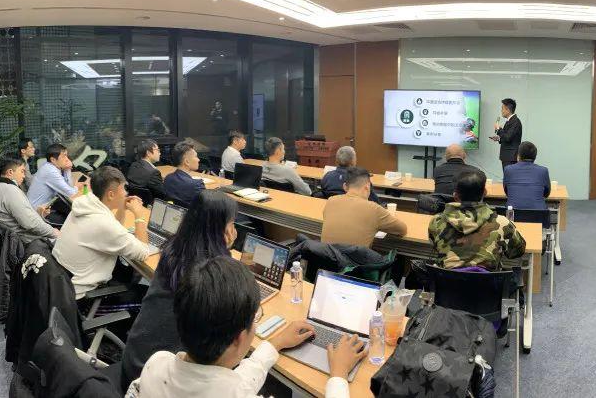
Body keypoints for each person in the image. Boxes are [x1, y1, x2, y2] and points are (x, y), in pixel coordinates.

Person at [125, 256, 365, 398]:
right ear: (240, 338)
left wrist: (274, 344)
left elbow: (227, 386)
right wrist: (338, 376)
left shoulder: (157, 364)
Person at [121, 190, 239, 390]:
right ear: (225, 229)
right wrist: (225, 252)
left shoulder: (172, 250)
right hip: (159, 382)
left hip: (133, 362)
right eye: (232, 223)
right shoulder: (210, 274)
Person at [53, 166, 157, 299]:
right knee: (146, 294)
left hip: (65, 284)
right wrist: (139, 215)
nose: (126, 193)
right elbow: (143, 252)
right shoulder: (103, 224)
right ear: (111, 195)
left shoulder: (84, 204)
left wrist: (121, 208)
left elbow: (114, 228)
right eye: (123, 189)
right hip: (84, 296)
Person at [429, 170, 526, 271]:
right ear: (485, 193)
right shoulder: (502, 223)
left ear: (455, 196)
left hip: (446, 280)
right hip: (488, 280)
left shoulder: (437, 221)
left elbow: (435, 246)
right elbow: (516, 252)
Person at [321, 167, 407, 248]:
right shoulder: (373, 208)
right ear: (367, 187)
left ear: (344, 187)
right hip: (355, 258)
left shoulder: (331, 201)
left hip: (326, 256)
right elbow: (402, 230)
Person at [0, 157, 58, 253]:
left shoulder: (0, 186)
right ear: (10, 172)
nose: (24, 176)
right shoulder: (11, 191)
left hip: (19, 239)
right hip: (29, 242)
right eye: (22, 171)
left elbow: (21, 217)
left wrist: (38, 213)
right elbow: (31, 224)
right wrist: (53, 232)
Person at [27, 143, 87, 208]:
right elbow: (71, 193)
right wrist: (77, 187)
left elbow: (68, 186)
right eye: (64, 156)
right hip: (38, 210)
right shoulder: (50, 171)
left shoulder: (50, 166)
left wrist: (67, 169)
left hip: (46, 205)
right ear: (53, 160)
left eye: (67, 156)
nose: (67, 159)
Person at [502, 141, 551, 210]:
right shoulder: (543, 171)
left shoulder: (508, 169)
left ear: (518, 155)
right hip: (538, 214)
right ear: (535, 157)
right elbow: (546, 194)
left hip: (512, 213)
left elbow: (507, 192)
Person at [163, 142, 206, 206]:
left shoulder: (168, 178)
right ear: (187, 162)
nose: (198, 160)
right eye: (196, 156)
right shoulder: (197, 185)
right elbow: (206, 206)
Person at [489, 98, 522, 167]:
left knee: (509, 174)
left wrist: (498, 129)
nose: (501, 111)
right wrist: (499, 138)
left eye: (502, 108)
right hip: (507, 156)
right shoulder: (510, 121)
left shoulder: (515, 121)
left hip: (511, 157)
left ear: (508, 110)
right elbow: (507, 137)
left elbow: (508, 138)